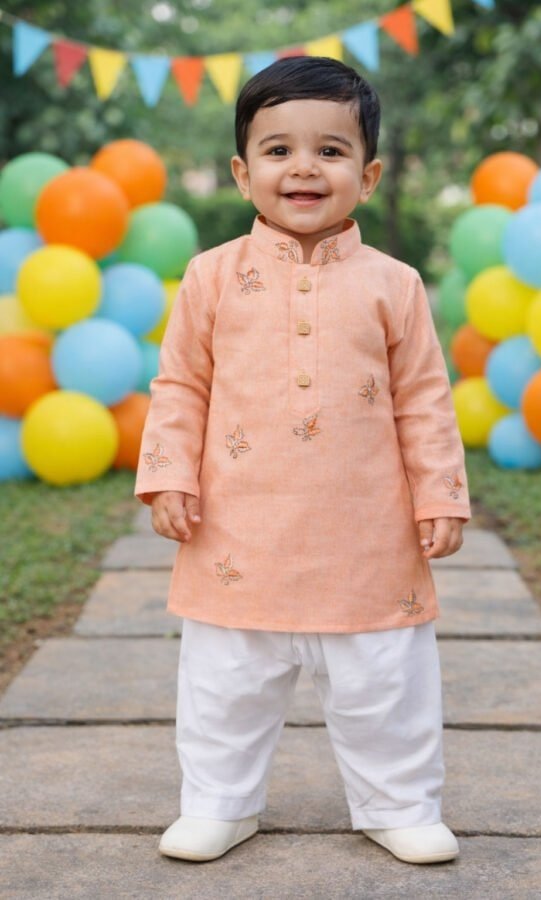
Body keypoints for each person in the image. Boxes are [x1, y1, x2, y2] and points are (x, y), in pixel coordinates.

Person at [134, 56, 471, 865]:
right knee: (224, 684)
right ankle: (219, 802)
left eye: (330, 150)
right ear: (243, 172)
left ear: (371, 173)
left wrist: (441, 495)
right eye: (279, 150)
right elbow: (180, 383)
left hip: (367, 539)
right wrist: (170, 473)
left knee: (385, 682)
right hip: (237, 539)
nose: (304, 168)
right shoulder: (212, 277)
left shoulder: (395, 283)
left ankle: (399, 803)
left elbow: (423, 397)